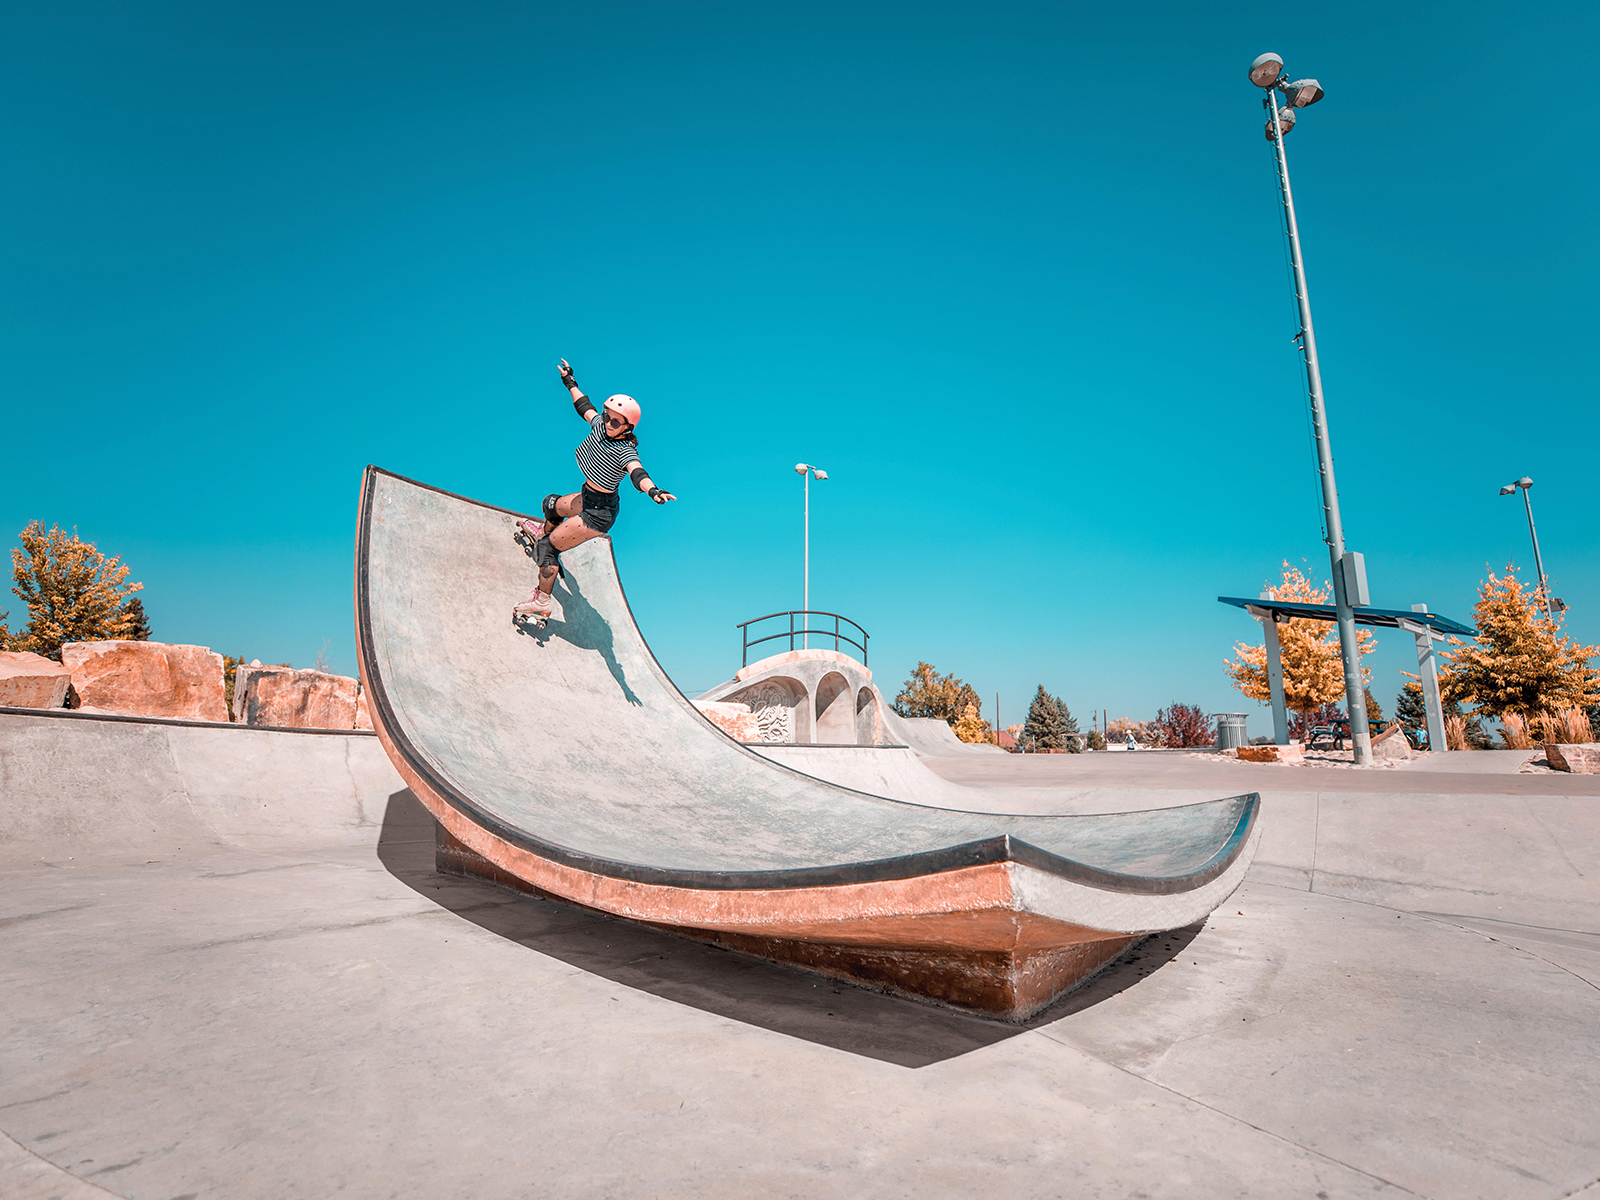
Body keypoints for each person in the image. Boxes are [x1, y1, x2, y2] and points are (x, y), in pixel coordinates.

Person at [514, 359, 676, 618]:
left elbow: (637, 472)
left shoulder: (625, 450)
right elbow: (583, 407)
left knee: (548, 549)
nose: (608, 423)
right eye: (607, 417)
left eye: (615, 423)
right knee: (550, 505)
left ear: (627, 428)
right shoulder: (600, 424)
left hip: (598, 514)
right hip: (587, 497)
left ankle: (542, 601)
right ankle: (545, 533)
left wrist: (653, 491)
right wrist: (570, 381)